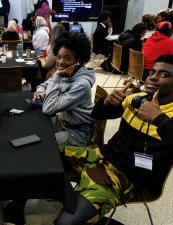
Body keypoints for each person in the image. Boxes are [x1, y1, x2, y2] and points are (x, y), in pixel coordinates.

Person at [54, 54, 173, 225]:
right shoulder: (137, 98)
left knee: (66, 223)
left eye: (164, 74)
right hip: (101, 156)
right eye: (152, 72)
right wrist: (106, 102)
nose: (153, 76)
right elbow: (97, 114)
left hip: (129, 177)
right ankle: (17, 209)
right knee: (43, 160)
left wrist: (159, 119)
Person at [34, 31, 95, 147]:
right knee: (35, 126)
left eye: (67, 58)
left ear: (78, 60)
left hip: (78, 133)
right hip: (64, 122)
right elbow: (43, 86)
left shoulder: (81, 85)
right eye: (59, 57)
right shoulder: (67, 72)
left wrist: (56, 77)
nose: (61, 62)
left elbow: (48, 109)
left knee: (43, 145)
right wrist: (40, 93)